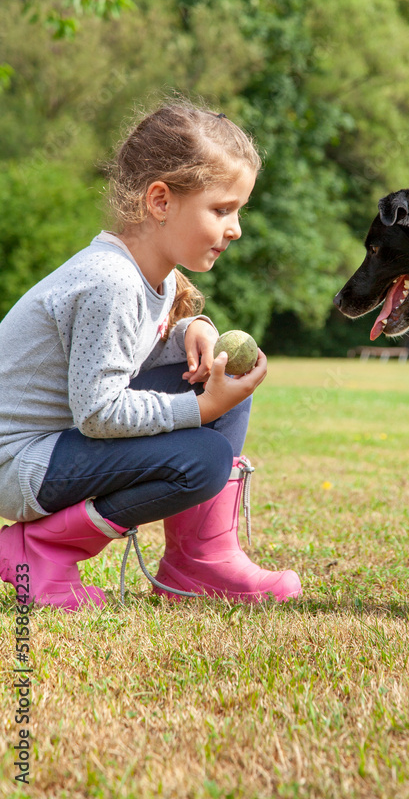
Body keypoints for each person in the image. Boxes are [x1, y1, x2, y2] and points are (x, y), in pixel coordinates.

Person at [0, 99, 301, 610]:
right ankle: (36, 548)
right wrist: (204, 409)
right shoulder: (111, 280)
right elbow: (99, 412)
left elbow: (121, 349)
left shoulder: (148, 277)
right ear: (160, 201)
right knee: (203, 459)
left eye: (238, 211)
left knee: (224, 372)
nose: (236, 229)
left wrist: (191, 329)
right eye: (222, 209)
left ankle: (197, 560)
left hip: (57, 445)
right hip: (21, 462)